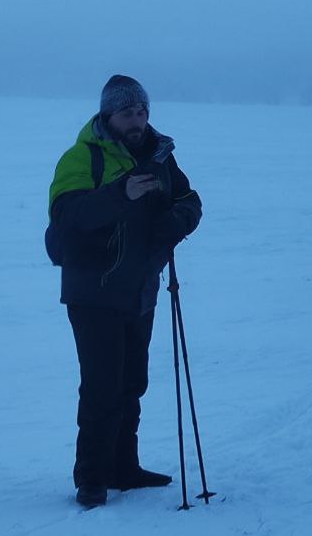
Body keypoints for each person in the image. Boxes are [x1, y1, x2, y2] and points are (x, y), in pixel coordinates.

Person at [47, 76, 202, 510]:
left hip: (140, 288)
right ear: (108, 116)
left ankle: (123, 467)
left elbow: (190, 198)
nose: (136, 120)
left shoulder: (160, 156)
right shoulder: (83, 158)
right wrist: (120, 193)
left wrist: (178, 221)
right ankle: (92, 478)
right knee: (102, 385)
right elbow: (65, 215)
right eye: (127, 112)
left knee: (132, 381)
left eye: (141, 111)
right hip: (93, 291)